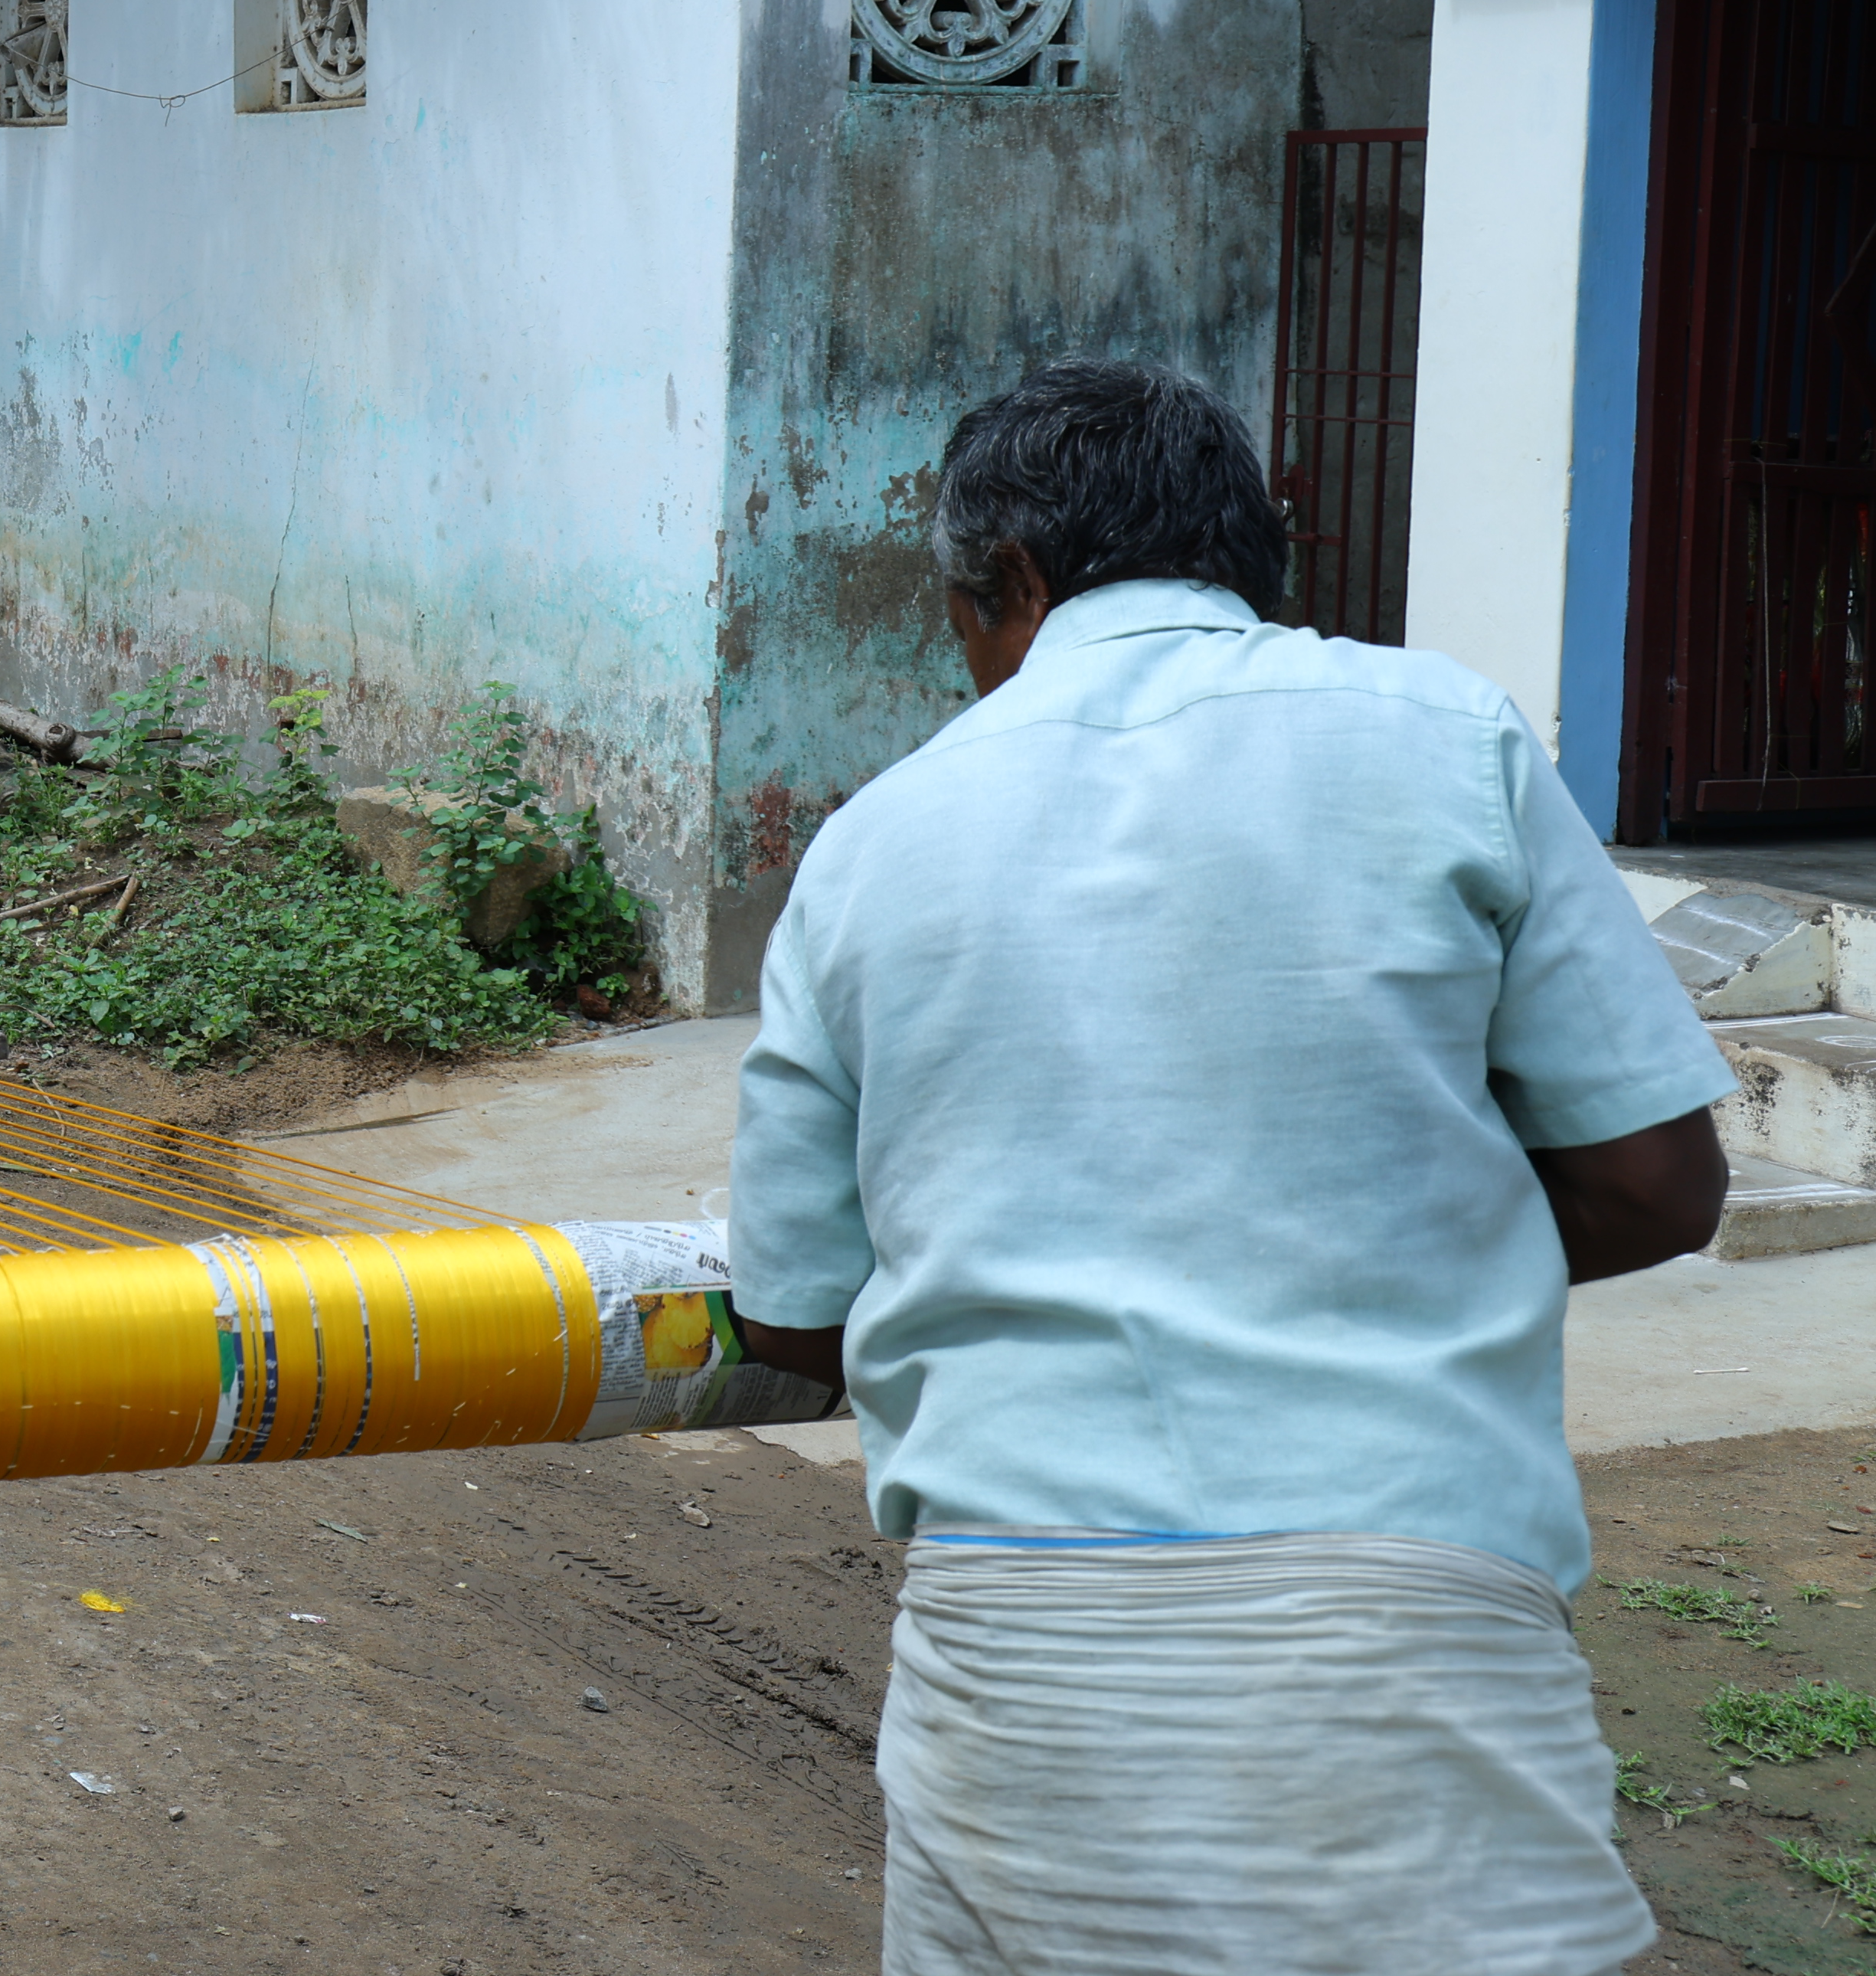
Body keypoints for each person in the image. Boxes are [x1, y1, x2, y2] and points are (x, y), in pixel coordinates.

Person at [728, 357, 1733, 1976]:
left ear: (1019, 586)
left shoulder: (872, 841)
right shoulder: (1450, 733)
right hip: (1413, 1638)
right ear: (1250, 557)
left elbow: (790, 1309)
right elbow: (1656, 1182)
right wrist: (1383, 1217)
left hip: (1019, 1656)